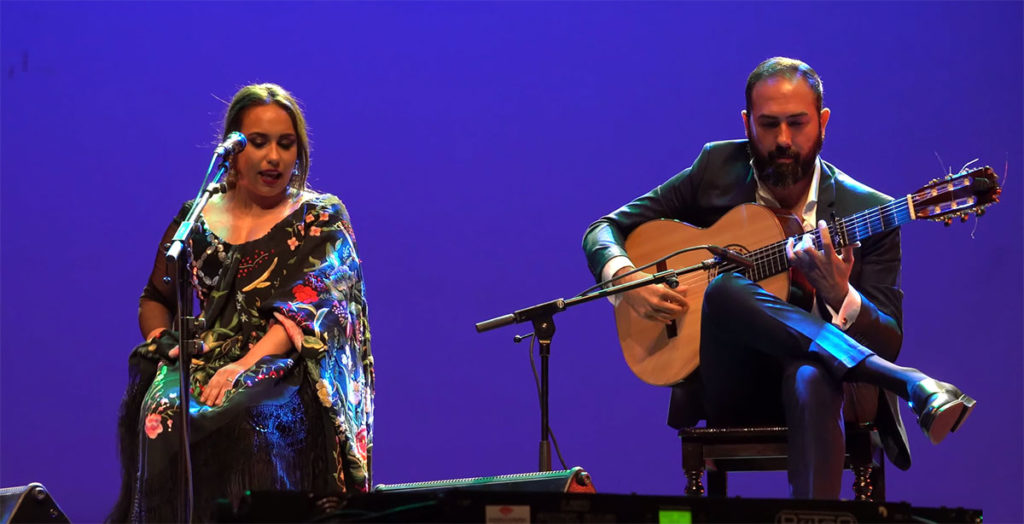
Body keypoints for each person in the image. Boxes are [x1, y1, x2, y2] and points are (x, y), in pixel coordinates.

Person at [582, 57, 974, 498]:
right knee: (726, 287)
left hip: (825, 383)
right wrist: (627, 279)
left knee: (812, 376)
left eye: (797, 124)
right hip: (731, 381)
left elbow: (888, 337)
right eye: (768, 125)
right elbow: (603, 230)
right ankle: (909, 383)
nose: (783, 140)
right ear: (747, 123)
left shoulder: (867, 211)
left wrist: (839, 293)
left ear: (823, 122)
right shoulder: (715, 169)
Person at [109, 83, 373, 521]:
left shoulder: (319, 218)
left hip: (277, 362)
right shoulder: (197, 215)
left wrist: (241, 367)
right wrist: (165, 342)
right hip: (204, 358)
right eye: (259, 142)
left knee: (244, 415)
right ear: (231, 150)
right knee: (162, 411)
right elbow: (155, 296)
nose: (273, 157)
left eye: (285, 145)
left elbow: (305, 314)